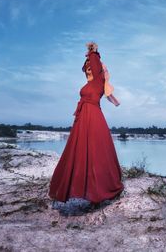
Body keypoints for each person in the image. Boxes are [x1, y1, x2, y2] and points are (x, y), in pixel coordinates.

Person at [48, 42, 124, 211]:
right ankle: (75, 189)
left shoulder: (98, 80)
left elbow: (95, 64)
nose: (88, 69)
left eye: (90, 67)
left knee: (96, 153)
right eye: (86, 67)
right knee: (80, 154)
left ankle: (100, 191)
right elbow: (89, 68)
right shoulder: (90, 82)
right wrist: (88, 61)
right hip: (83, 120)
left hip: (94, 119)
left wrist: (93, 53)